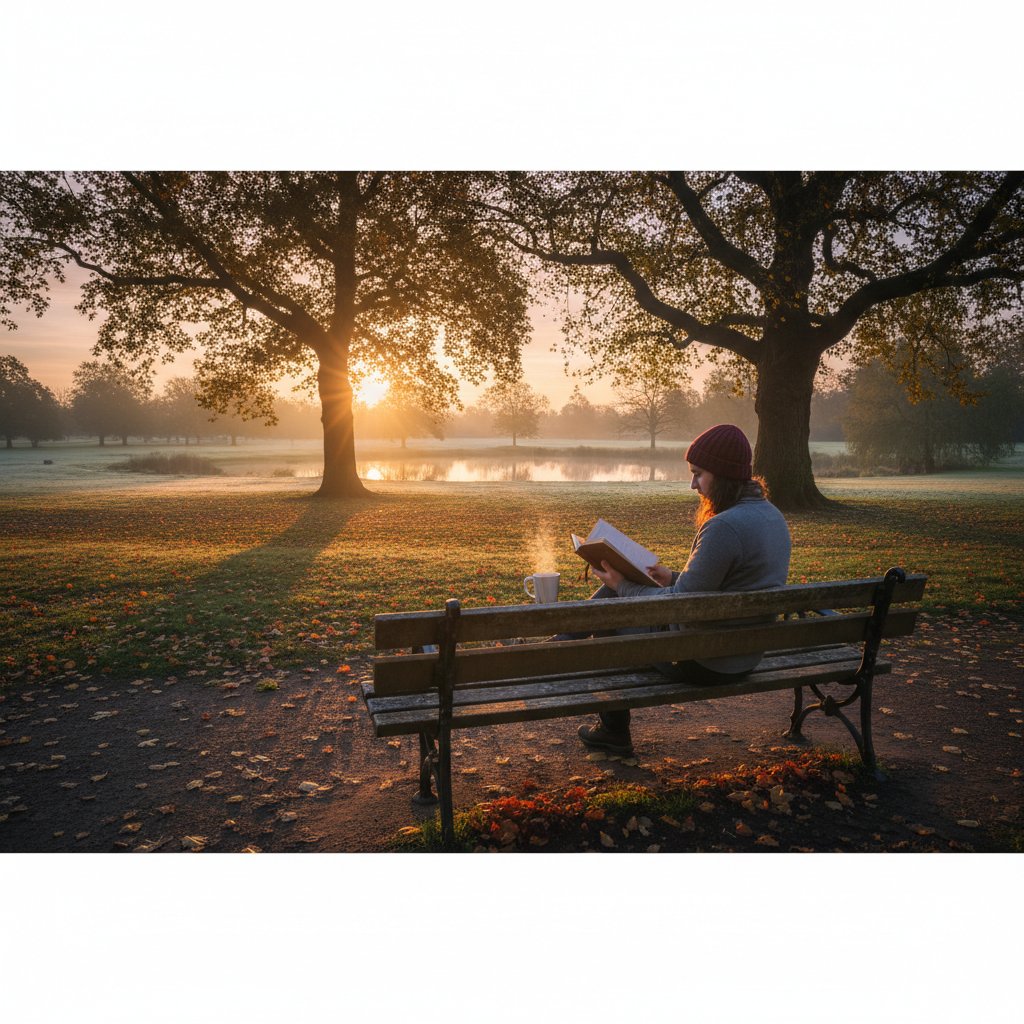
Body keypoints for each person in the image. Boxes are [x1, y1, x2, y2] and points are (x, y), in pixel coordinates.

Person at [574, 423, 792, 756]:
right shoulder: (772, 516)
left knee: (610, 614)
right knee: (617, 592)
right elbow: (719, 588)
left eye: (698, 474)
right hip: (747, 652)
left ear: (722, 475)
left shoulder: (723, 526)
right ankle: (567, 636)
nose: (693, 484)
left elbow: (681, 605)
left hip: (706, 660)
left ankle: (613, 730)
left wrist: (623, 587)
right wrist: (672, 576)